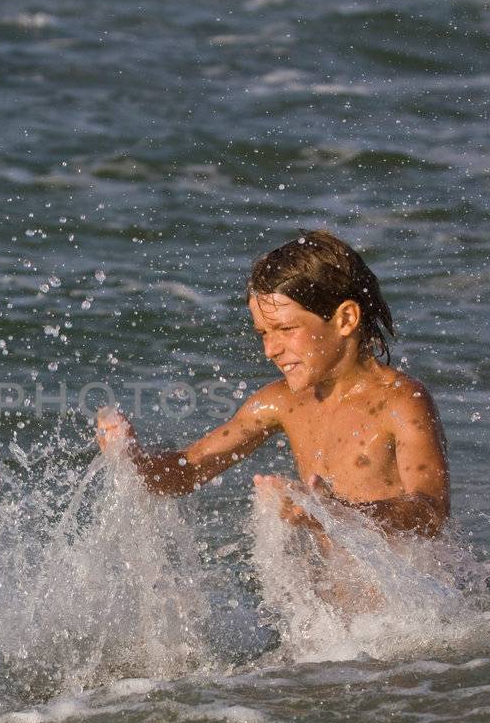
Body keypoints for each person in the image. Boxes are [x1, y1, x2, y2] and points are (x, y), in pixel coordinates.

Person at [96, 231, 448, 606]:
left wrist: (335, 514)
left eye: (285, 329)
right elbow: (190, 469)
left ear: (345, 318)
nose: (270, 349)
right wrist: (133, 461)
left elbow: (430, 512)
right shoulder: (282, 402)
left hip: (407, 617)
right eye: (263, 333)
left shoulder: (402, 401)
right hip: (338, 630)